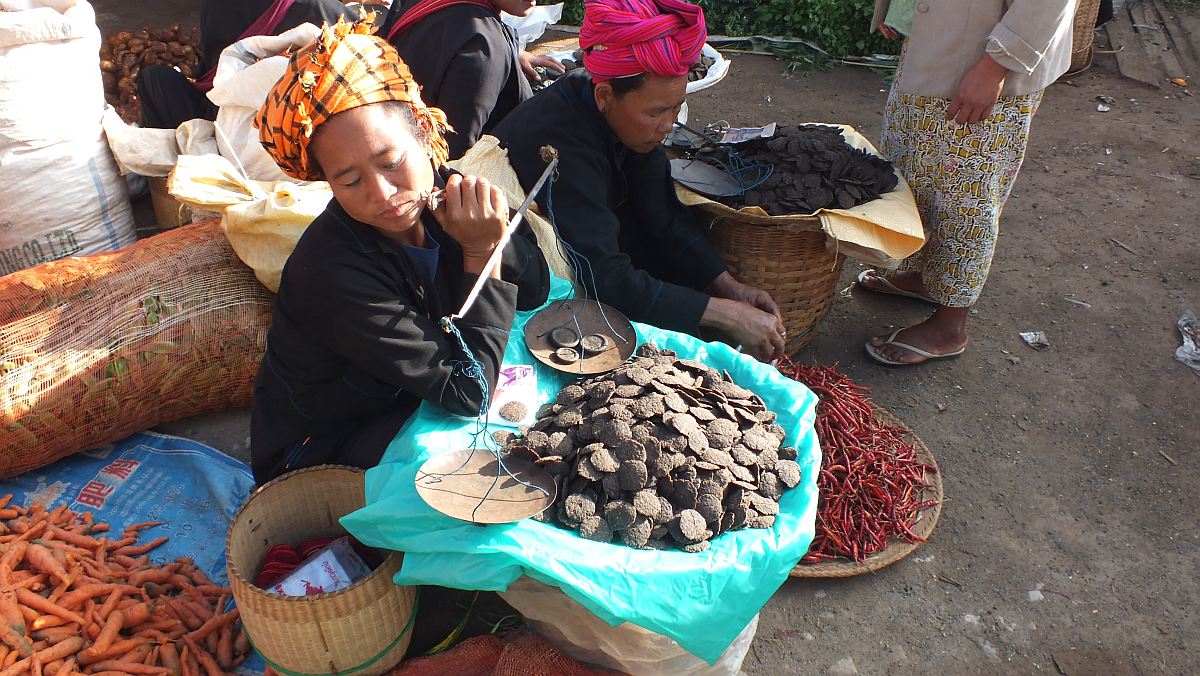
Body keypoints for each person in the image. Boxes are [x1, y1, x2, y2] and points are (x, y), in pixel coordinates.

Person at [249, 18, 551, 483]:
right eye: (349, 180)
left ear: (427, 137)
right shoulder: (329, 272)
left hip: (405, 394)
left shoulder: (453, 195)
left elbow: (534, 291)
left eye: (392, 163)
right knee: (486, 469)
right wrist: (481, 253)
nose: (382, 193)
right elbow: (468, 390)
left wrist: (497, 241)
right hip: (318, 450)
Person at [491, 0, 785, 363]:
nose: (667, 124)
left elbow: (663, 213)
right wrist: (725, 314)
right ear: (605, 97)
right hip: (543, 274)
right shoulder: (557, 143)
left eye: (676, 107)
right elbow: (603, 277)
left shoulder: (631, 122)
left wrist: (727, 286)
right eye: (655, 112)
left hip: (598, 236)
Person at [861, 0, 1075, 365]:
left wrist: (995, 67)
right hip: (944, 41)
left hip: (988, 63)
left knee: (966, 197)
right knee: (914, 174)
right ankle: (928, 279)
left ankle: (950, 326)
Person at [381, 0, 564, 159]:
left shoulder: (432, 8)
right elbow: (456, 157)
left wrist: (511, 49)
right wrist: (500, 48)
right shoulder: (482, 48)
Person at [138, 0, 349, 129]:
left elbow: (211, 70)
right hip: (300, 131)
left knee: (154, 78)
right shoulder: (322, 7)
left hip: (227, 125)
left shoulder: (218, 5)